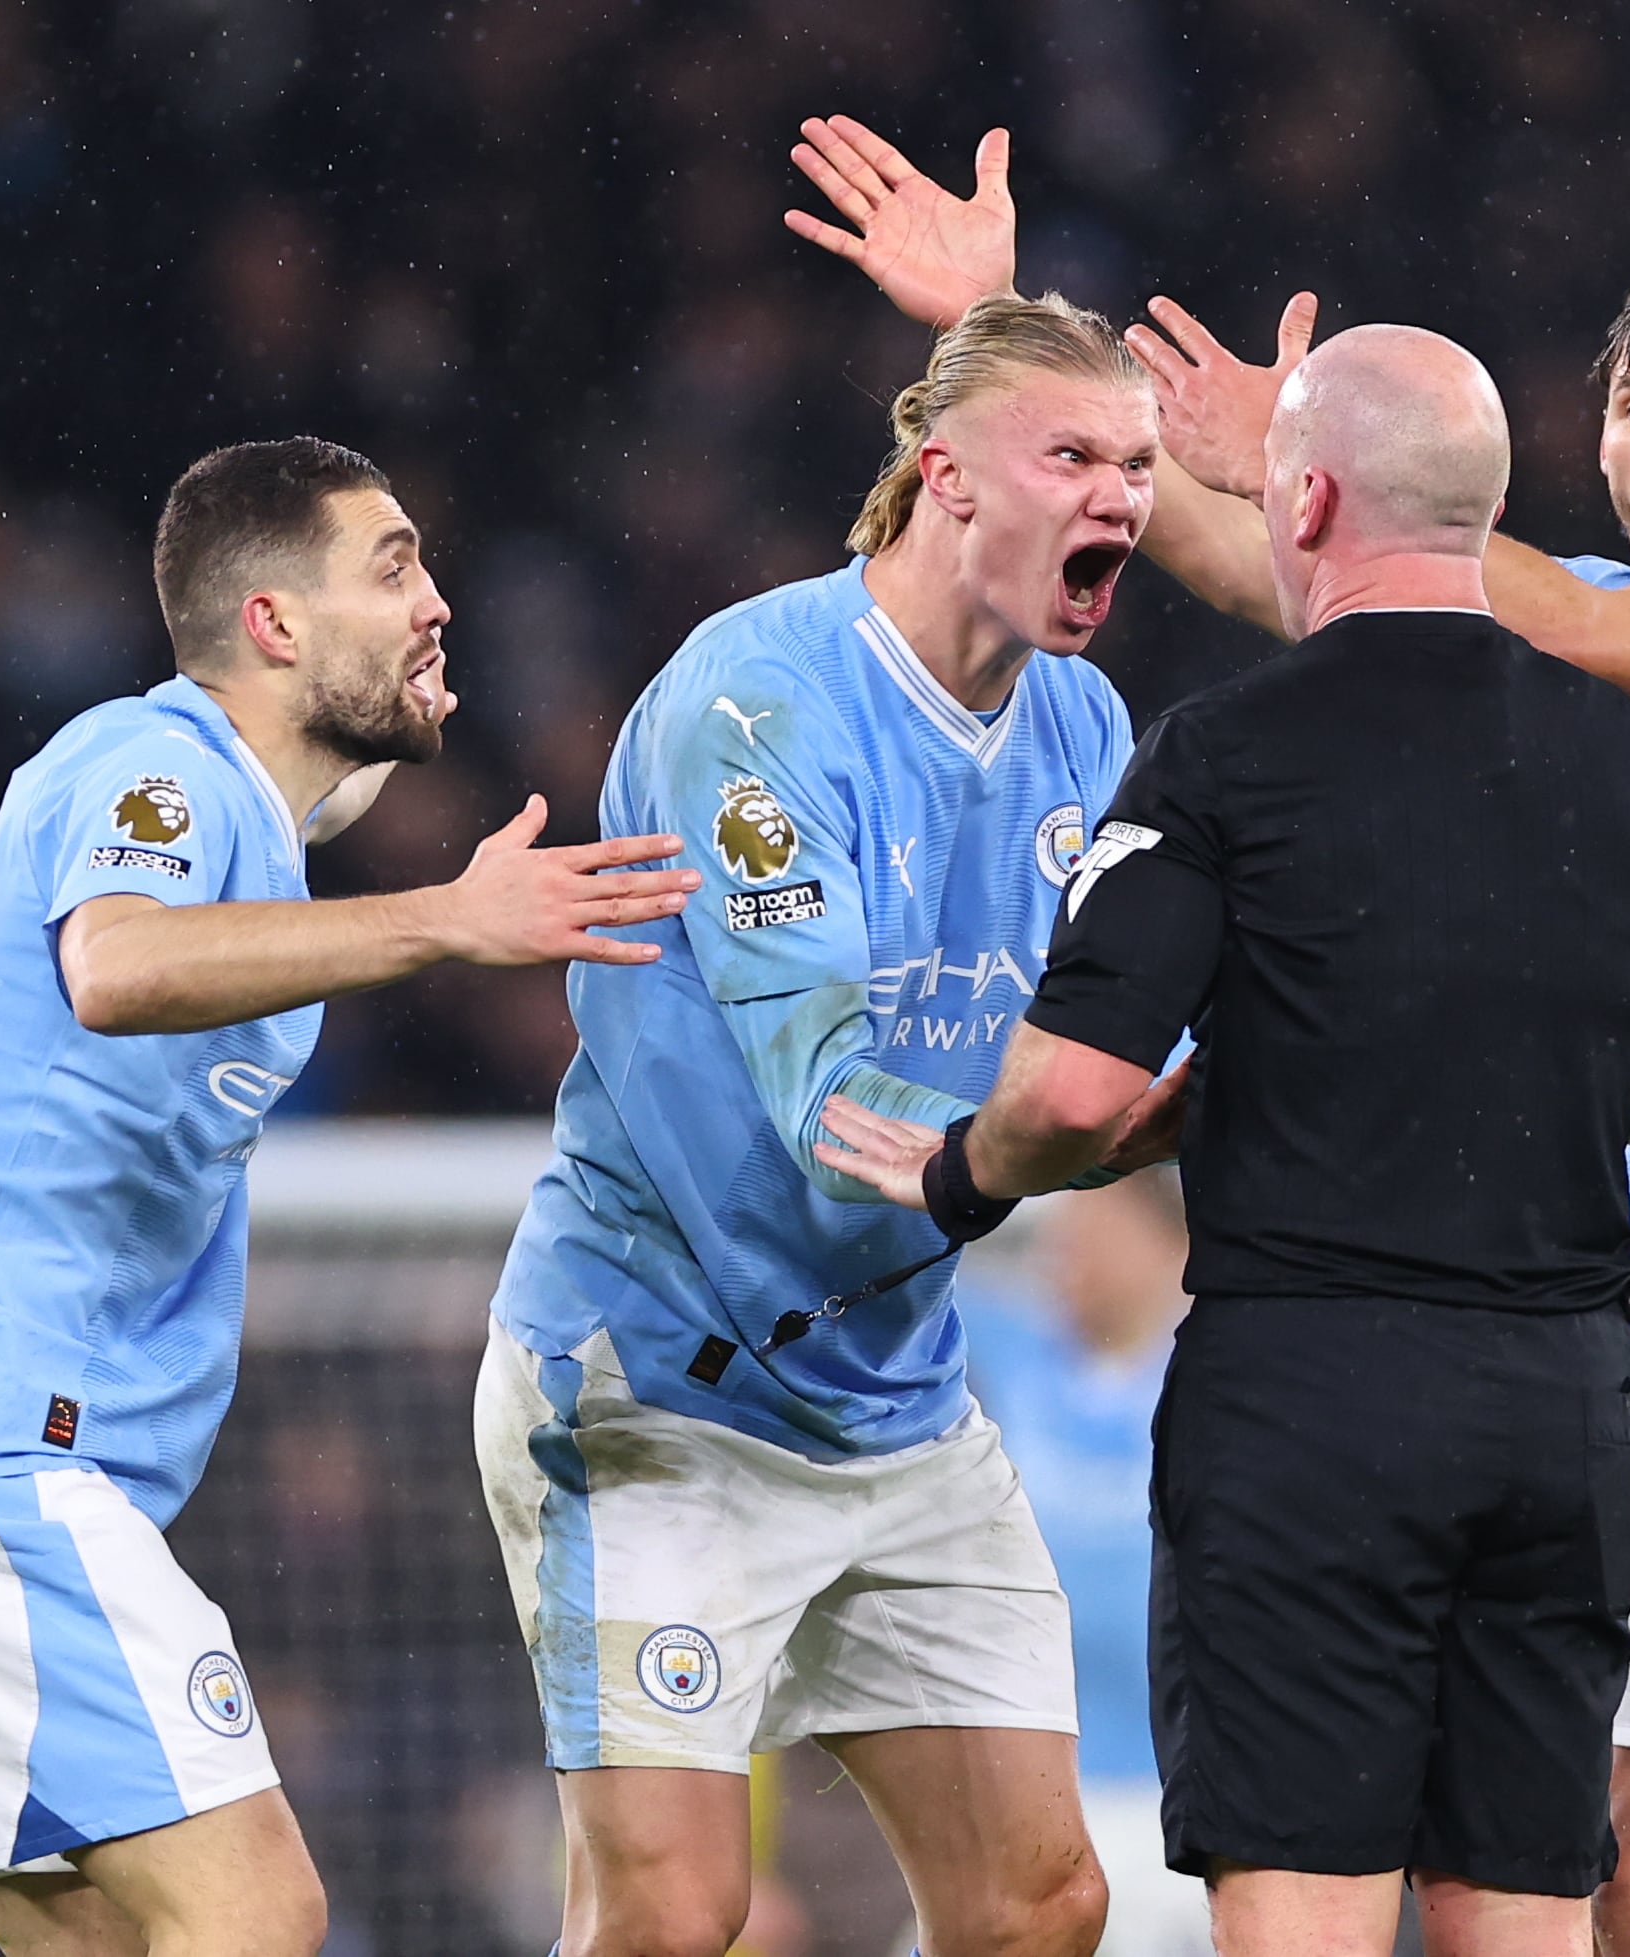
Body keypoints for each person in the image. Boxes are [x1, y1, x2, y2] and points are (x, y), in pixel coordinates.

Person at [792, 123, 1630, 1957]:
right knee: (1541, 1875)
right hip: (1587, 1322)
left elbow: (1475, 596)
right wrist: (1031, 346)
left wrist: (1334, 475)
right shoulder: (1550, 648)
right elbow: (1343, 601)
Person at [0, 436, 701, 1957]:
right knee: (258, 1910)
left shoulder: (248, 819)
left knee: (107, 1940)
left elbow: (285, 839)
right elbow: (117, 964)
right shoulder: (159, 766)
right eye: (391, 567)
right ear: (268, 621)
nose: (435, 602)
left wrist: (395, 774)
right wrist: (452, 922)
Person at [476, 290, 1183, 1957]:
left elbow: (1119, 1040)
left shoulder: (1084, 729)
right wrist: (1133, 1122)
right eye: (1071, 452)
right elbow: (841, 1107)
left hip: (897, 1401)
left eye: (1139, 463)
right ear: (945, 477)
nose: (1122, 496)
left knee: (1037, 1902)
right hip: (657, 1380)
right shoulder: (761, 706)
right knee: (676, 1912)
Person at [961, 1178, 1213, 1957]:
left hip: (1188, 1796)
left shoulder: (1230, 1370)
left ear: (1169, 1237)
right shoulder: (1012, 1347)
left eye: (1093, 1223)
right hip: (1040, 1795)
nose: (1064, 1250)